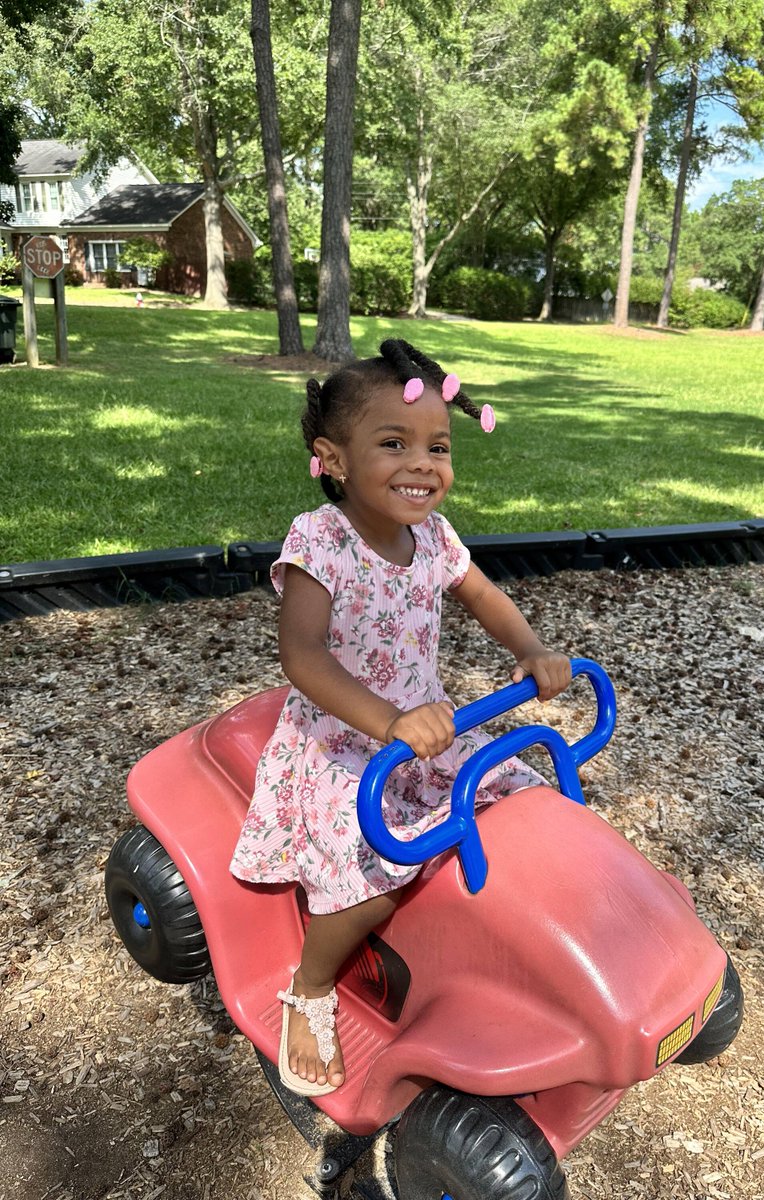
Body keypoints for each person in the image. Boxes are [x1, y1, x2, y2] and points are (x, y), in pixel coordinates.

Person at [230, 338, 571, 1096]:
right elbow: (305, 658)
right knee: (377, 869)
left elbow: (483, 596)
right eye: (394, 444)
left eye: (438, 446)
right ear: (335, 458)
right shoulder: (321, 541)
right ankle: (312, 988)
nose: (423, 464)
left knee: (521, 795)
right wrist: (388, 722)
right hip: (343, 742)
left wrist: (533, 650)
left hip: (421, 730)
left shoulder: (436, 539)